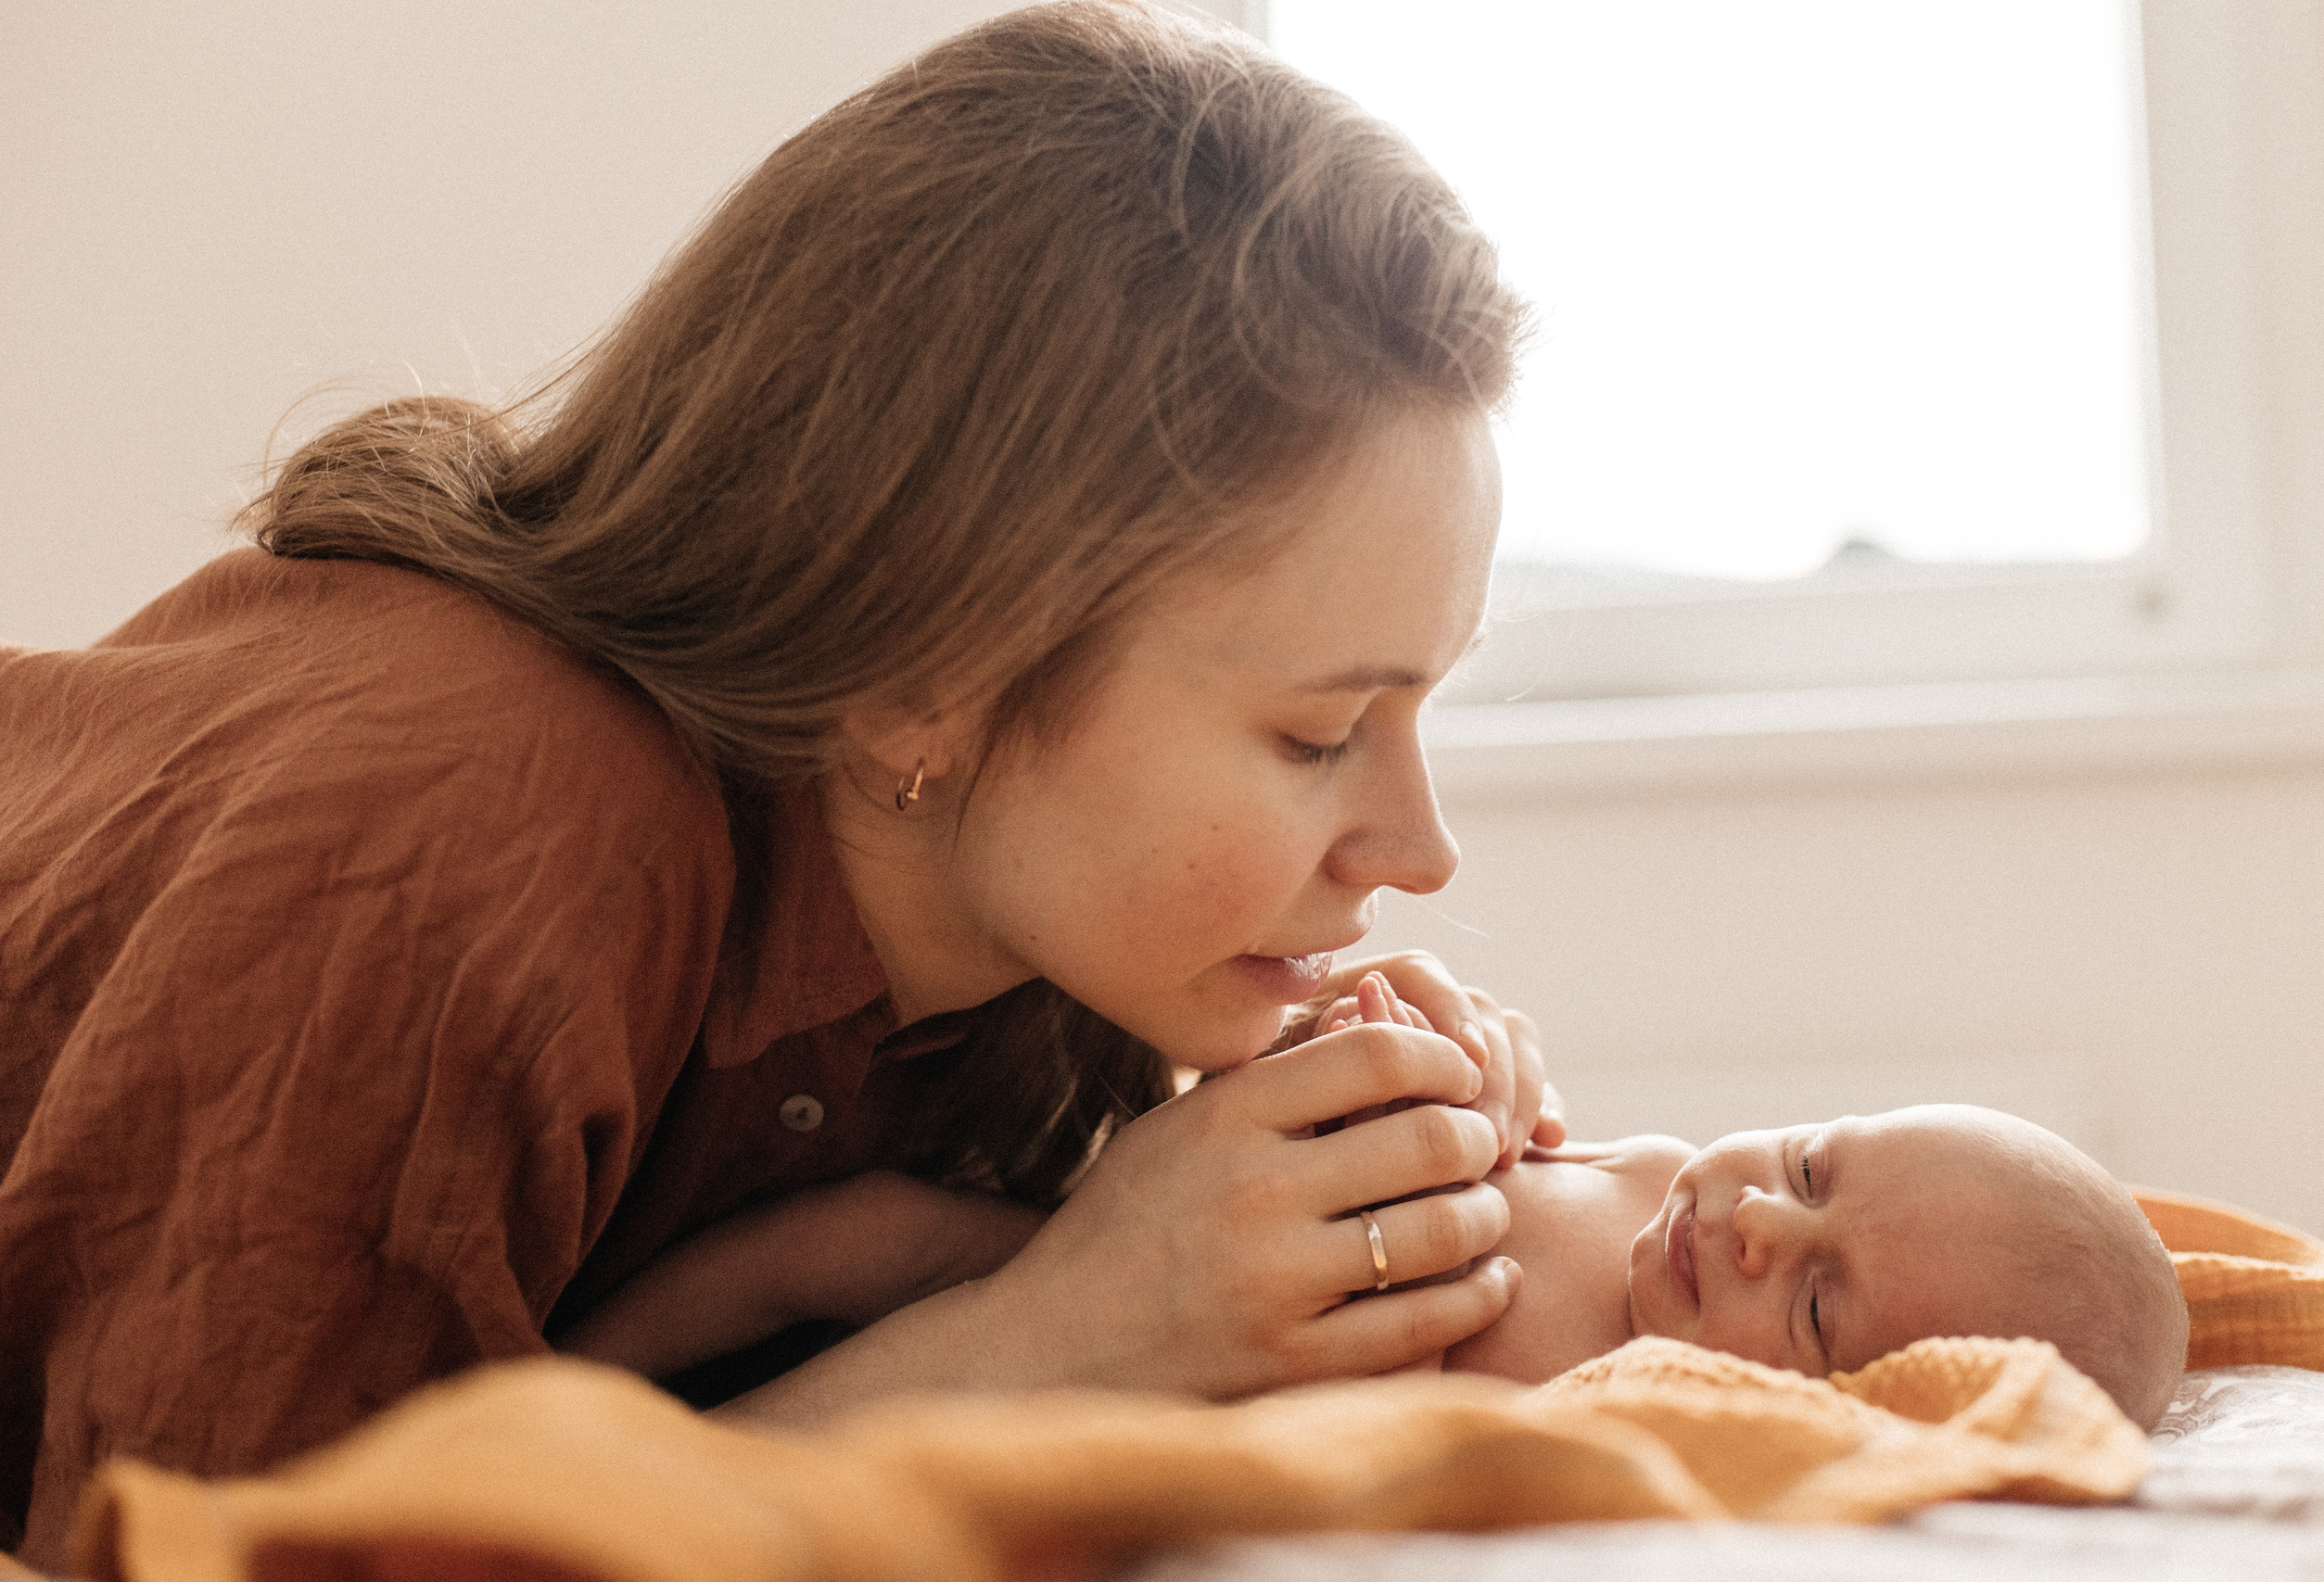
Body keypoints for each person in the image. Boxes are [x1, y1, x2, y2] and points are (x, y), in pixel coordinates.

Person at [0, 2, 1559, 1563]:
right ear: (927, 674)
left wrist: (1289, 1187)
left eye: (1422, 705)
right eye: (1317, 736)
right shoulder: (470, 844)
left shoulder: (1016, 948)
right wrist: (1044, 1337)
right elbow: (240, 1556)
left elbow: (611, 1420)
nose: (1420, 850)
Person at [568, 980, 2189, 1431]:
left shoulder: (1648, 1409)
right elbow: (1465, 1140)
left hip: (1159, 1391)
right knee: (850, 1234)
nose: (1759, 1221)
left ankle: (627, 1451)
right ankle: (546, 1376)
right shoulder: (1650, 1181)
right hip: (1123, 1252)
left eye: (1818, 1304)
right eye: (1814, 1164)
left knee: (913, 1409)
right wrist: (1416, 1052)